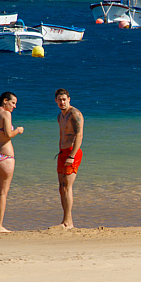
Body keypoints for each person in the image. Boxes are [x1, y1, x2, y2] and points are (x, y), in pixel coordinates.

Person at [0, 92, 24, 233]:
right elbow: (7, 134)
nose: (14, 106)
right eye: (13, 103)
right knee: (2, 193)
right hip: (4, 157)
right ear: (5, 101)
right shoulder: (6, 114)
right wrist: (18, 130)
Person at [55, 88, 84, 229]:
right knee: (61, 187)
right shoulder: (60, 117)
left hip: (72, 153)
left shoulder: (75, 114)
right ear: (56, 101)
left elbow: (79, 136)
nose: (62, 102)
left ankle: (68, 222)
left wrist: (72, 155)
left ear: (69, 99)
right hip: (62, 152)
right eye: (60, 100)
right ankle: (66, 220)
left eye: (64, 99)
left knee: (67, 186)